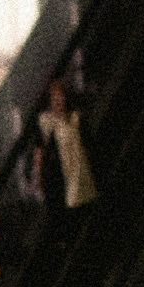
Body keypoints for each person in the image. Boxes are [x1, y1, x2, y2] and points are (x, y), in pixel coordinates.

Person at [36, 74, 97, 212]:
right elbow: (40, 150)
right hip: (58, 180)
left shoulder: (76, 118)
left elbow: (89, 145)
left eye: (60, 96)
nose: (57, 100)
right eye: (53, 97)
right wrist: (39, 176)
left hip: (80, 175)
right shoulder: (45, 122)